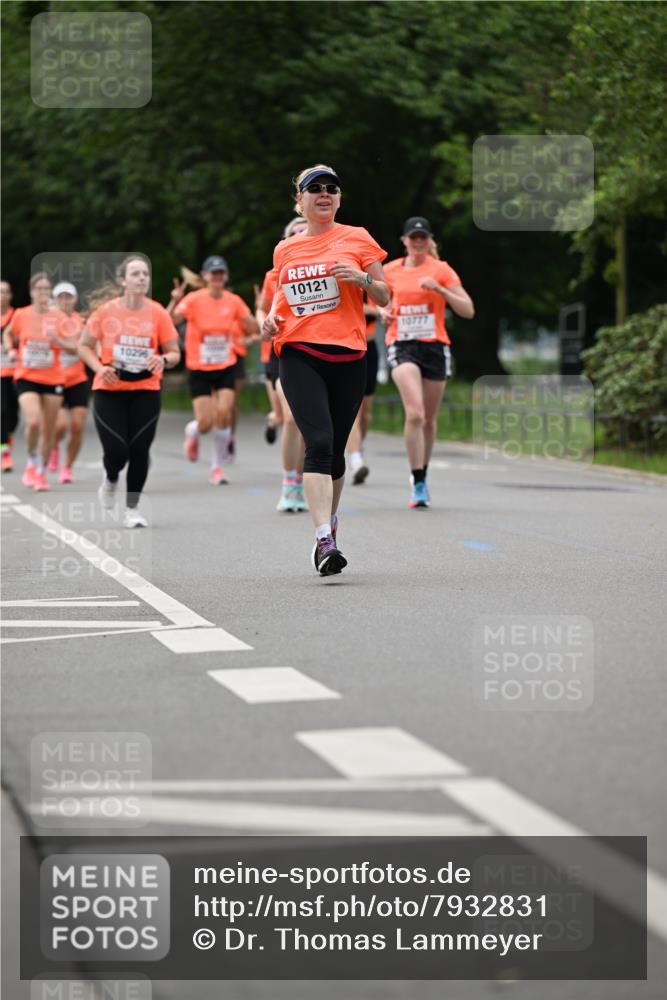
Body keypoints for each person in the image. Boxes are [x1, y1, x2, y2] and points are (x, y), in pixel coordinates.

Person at [262, 164, 389, 575]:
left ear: (339, 198)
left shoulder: (358, 238)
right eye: (314, 188)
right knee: (317, 440)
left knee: (333, 455)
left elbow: (387, 295)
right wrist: (270, 321)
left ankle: (328, 525)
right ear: (298, 200)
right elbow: (283, 299)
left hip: (350, 356)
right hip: (299, 353)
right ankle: (323, 539)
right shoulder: (286, 249)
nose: (324, 194)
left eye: (332, 188)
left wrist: (361, 279)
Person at [77, 256, 180, 526]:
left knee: (139, 449)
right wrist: (99, 368)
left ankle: (132, 509)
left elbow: (174, 352)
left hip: (146, 389)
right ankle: (111, 478)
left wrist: (164, 360)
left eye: (145, 273)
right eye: (135, 274)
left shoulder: (158, 313)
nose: (142, 278)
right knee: (117, 450)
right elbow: (84, 346)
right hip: (110, 389)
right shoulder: (105, 312)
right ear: (122, 280)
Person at [382, 217, 474, 508]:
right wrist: (382, 310)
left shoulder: (441, 269)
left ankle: (422, 477)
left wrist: (440, 290)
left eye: (423, 237)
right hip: (403, 344)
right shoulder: (390, 270)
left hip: (435, 346)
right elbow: (377, 300)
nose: (418, 241)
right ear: (405, 240)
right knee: (416, 414)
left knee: (430, 420)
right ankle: (416, 477)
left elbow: (468, 310)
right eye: (413, 237)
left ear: (429, 240)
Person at [168, 256, 258, 485]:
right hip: (199, 366)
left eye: (221, 273)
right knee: (206, 422)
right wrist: (174, 301)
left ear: (224, 276)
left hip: (225, 365)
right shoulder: (193, 299)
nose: (217, 277)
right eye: (213, 273)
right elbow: (170, 322)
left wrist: (258, 315)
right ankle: (194, 432)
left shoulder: (234, 301)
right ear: (205, 276)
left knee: (225, 412)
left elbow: (253, 327)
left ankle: (216, 467)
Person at [2, 273, 77, 492]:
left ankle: (41, 473)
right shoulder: (22, 315)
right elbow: (7, 334)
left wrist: (58, 340)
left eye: (47, 289)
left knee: (49, 429)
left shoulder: (60, 317)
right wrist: (11, 350)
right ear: (31, 291)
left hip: (53, 378)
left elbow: (74, 347)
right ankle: (32, 459)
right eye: (39, 289)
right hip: (26, 375)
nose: (43, 293)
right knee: (33, 421)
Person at [257, 217, 310, 513]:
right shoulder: (275, 274)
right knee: (291, 418)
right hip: (284, 351)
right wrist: (261, 322)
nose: (301, 234)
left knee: (310, 424)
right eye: (294, 231)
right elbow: (263, 308)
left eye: (305, 229)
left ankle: (308, 478)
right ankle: (291, 484)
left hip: (319, 349)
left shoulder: (329, 264)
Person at [47, 282, 88, 484]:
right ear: (54, 300)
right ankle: (54, 447)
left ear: (75, 299)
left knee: (78, 425)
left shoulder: (81, 321)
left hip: (77, 379)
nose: (64, 301)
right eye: (60, 297)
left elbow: (78, 348)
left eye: (68, 297)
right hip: (54, 379)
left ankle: (67, 467)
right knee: (61, 425)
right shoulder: (47, 321)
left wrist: (58, 341)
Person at [345, 300, 381, 484]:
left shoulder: (370, 283)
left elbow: (382, 309)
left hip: (370, 348)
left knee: (366, 415)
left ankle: (357, 448)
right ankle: (356, 459)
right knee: (355, 412)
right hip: (349, 346)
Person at [1, 280, 17, 472]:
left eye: (6, 292)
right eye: (0, 292)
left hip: (18, 370)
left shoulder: (17, 317)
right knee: (2, 411)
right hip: (0, 373)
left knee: (14, 414)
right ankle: (4, 452)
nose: (3, 295)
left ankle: (8, 435)